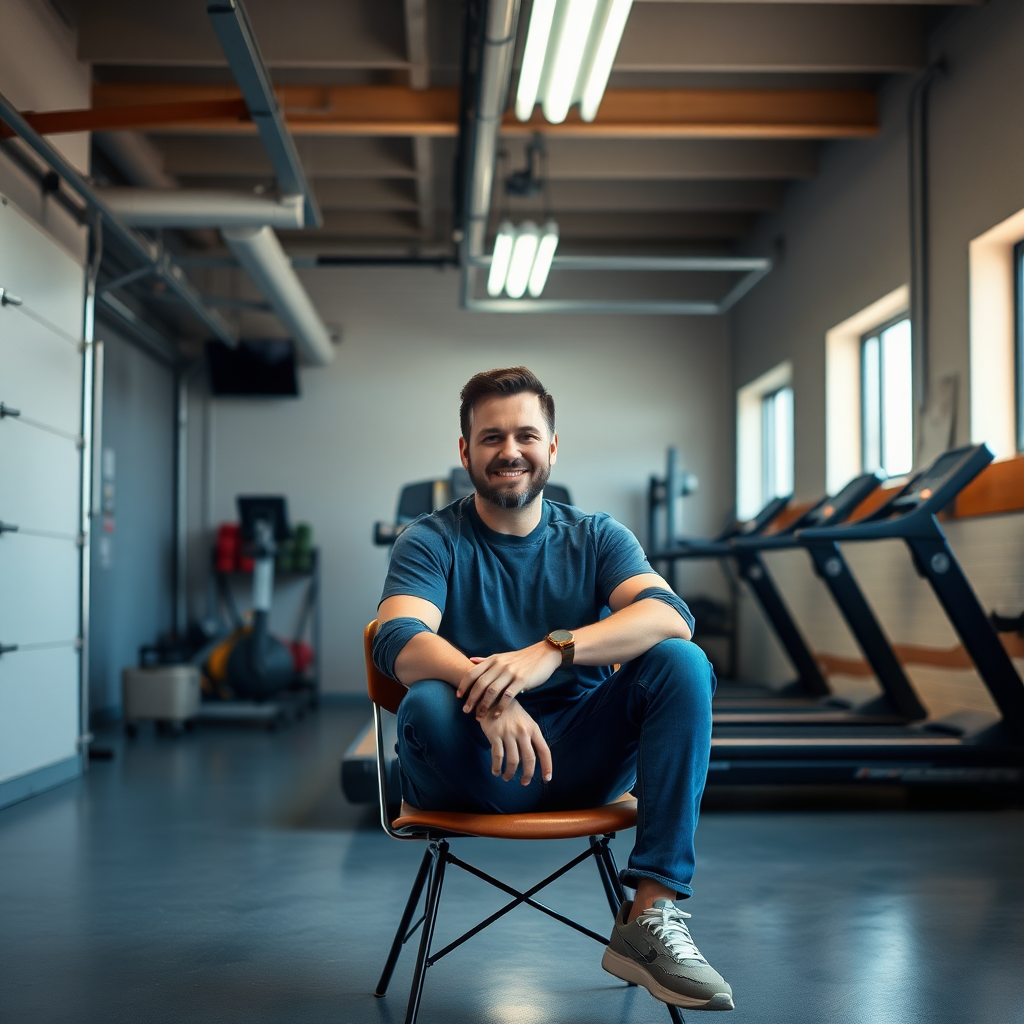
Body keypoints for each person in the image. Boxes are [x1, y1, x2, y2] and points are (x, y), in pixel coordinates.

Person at [373, 366, 733, 1012]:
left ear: (553, 447)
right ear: (465, 452)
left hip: (577, 761)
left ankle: (649, 917)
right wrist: (492, 694)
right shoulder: (430, 540)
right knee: (426, 698)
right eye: (491, 438)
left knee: (682, 662)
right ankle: (478, 705)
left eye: (526, 435)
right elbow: (397, 637)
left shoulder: (597, 537)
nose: (510, 451)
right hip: (469, 767)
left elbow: (670, 614)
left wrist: (549, 652)